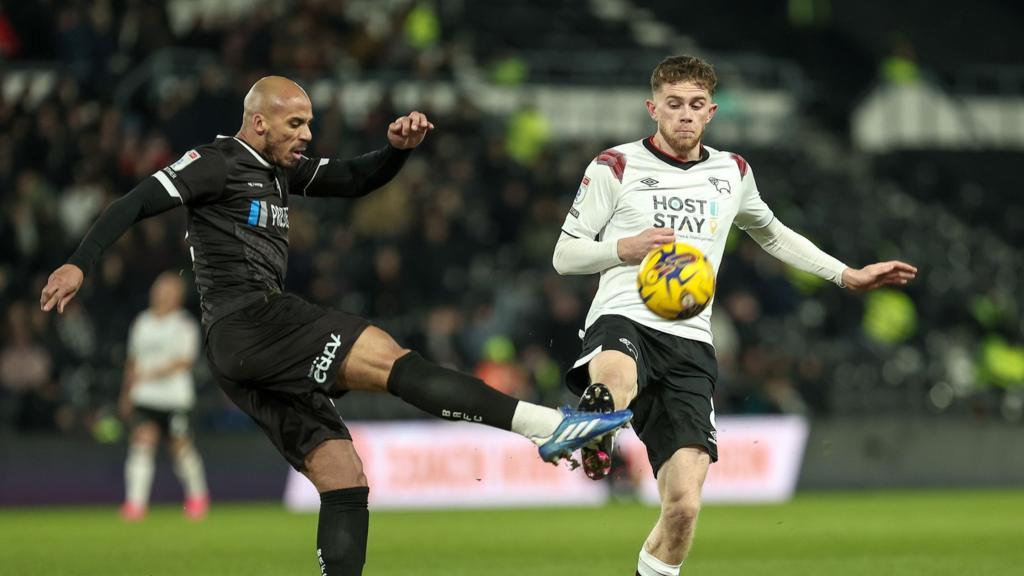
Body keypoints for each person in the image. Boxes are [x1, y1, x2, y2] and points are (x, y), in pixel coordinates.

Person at [40, 76, 632, 575]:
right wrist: (78, 263)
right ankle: (547, 427)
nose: (306, 135)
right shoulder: (217, 161)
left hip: (243, 357)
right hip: (252, 322)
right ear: (258, 123)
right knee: (393, 360)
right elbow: (135, 202)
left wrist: (396, 150)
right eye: (295, 124)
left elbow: (353, 179)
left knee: (343, 477)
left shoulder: (280, 170)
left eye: (309, 123)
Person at [552, 55, 917, 576]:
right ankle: (601, 418)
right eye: (673, 105)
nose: (684, 115)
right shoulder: (615, 165)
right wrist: (623, 247)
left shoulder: (733, 172)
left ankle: (606, 427)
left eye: (695, 106)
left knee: (682, 509)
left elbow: (770, 232)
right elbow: (565, 256)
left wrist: (846, 274)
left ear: (711, 112)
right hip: (624, 316)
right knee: (616, 374)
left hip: (691, 342)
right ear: (652, 108)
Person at [118, 271, 208, 521]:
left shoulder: (184, 324)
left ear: (177, 296)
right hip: (145, 397)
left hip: (174, 398)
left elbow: (184, 361)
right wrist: (126, 394)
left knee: (180, 448)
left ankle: (198, 497)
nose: (160, 293)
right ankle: (135, 504)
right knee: (142, 442)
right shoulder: (142, 322)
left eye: (167, 289)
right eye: (158, 288)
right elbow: (132, 361)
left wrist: (151, 373)